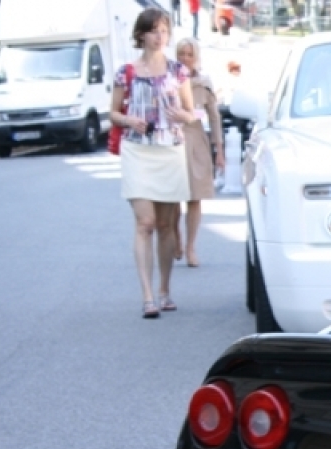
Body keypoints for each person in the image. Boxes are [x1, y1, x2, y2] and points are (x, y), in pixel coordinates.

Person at [110, 8, 195, 318]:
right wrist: (129, 119)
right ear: (141, 35)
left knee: (165, 225)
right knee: (145, 223)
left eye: (164, 31)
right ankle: (147, 296)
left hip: (170, 150)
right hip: (138, 151)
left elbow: (191, 112)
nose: (160, 36)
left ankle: (164, 290)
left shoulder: (178, 71)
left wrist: (182, 116)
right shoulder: (126, 72)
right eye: (154, 30)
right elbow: (113, 113)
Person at [172, 38, 225, 268]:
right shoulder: (168, 80)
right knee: (171, 198)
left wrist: (219, 150)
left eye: (189, 54)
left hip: (196, 140)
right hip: (172, 140)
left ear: (196, 57)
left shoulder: (203, 83)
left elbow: (214, 117)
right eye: (181, 54)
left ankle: (191, 247)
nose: (185, 58)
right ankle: (175, 238)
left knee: (195, 197)